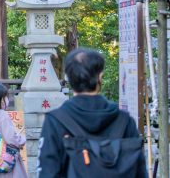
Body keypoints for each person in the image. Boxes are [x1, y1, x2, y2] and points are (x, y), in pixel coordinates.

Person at [37, 48, 147, 178]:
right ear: (100, 76)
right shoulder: (124, 120)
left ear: (69, 78)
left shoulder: (55, 120)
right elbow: (140, 170)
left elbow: (47, 171)